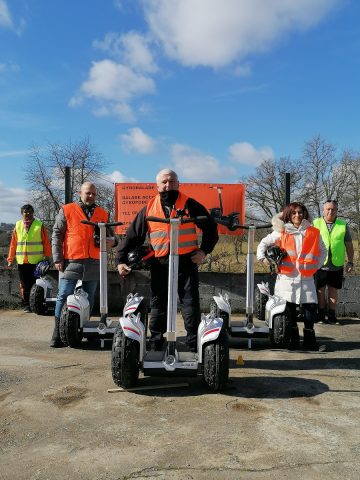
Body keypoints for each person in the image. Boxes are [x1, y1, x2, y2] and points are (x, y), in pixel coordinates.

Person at [116, 169, 219, 352]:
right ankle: (156, 341)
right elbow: (132, 237)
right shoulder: (149, 208)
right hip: (160, 263)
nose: (168, 185)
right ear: (157, 186)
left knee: (190, 303)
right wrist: (120, 260)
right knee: (158, 302)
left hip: (186, 262)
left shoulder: (190, 204)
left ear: (178, 184)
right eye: (164, 182)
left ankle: (194, 343)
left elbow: (211, 229)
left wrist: (204, 251)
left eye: (172, 181)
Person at [50, 182, 117, 348]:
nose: (91, 196)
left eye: (94, 194)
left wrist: (112, 242)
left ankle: (83, 329)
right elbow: (56, 235)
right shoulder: (67, 210)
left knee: (89, 297)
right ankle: (58, 331)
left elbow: (112, 237)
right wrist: (58, 259)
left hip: (94, 262)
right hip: (71, 260)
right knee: (63, 295)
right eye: (88, 193)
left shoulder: (103, 213)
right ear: (80, 193)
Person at [257, 202, 327, 351]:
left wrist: (316, 266)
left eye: (300, 212)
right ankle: (293, 341)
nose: (297, 215)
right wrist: (263, 259)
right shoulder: (281, 232)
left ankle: (309, 341)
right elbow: (263, 244)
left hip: (307, 277)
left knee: (310, 307)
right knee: (289, 309)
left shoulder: (313, 231)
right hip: (286, 279)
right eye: (294, 213)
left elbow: (323, 251)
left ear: (305, 214)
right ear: (288, 215)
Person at [313, 200, 355, 325]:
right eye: (328, 209)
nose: (330, 211)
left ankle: (332, 316)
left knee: (333, 290)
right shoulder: (315, 223)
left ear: (337, 210)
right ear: (323, 210)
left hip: (336, 264)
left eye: (333, 209)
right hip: (319, 264)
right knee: (320, 290)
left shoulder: (343, 225)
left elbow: (349, 245)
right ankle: (320, 315)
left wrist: (351, 262)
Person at [7, 204, 52, 312]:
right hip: (22, 261)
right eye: (25, 212)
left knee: (36, 283)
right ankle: (27, 305)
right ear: (22, 213)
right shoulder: (17, 225)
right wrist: (10, 259)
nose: (28, 214)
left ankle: (36, 305)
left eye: (30, 211)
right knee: (24, 284)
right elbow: (13, 244)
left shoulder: (39, 225)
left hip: (36, 261)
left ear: (33, 213)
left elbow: (46, 242)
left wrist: (48, 257)